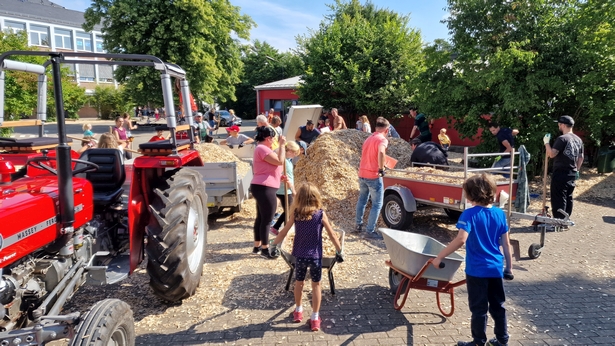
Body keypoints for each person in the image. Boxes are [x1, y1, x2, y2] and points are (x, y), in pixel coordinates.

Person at [431, 173, 513, 346]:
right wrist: (509, 268)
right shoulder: (499, 214)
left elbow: (461, 239)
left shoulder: (468, 215)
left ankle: (478, 342)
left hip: (477, 271)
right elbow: (506, 243)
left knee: (478, 309)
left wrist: (439, 257)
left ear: (470, 195)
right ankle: (502, 340)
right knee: (498, 306)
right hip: (496, 269)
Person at [269, 182, 343, 332]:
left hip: (300, 257)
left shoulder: (296, 214)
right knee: (316, 285)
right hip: (316, 257)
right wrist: (339, 251)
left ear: (300, 199)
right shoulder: (320, 214)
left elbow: (283, 231)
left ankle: (298, 311)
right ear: (316, 197)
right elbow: (332, 234)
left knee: (299, 283)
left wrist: (274, 245)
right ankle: (315, 318)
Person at [250, 126, 287, 258]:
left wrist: (279, 176)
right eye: (273, 139)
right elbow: (279, 161)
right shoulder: (262, 148)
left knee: (261, 218)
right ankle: (265, 250)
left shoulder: (261, 148)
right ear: (268, 138)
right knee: (267, 219)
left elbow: (269, 168)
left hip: (262, 185)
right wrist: (282, 146)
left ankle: (257, 246)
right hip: (265, 187)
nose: (274, 141)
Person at [543, 115, 584, 220]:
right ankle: (566, 219)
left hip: (561, 172)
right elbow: (581, 157)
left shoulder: (562, 139)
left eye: (559, 124)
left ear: (563, 125)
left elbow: (552, 154)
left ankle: (559, 221)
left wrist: (546, 143)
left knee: (558, 197)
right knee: (568, 196)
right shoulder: (578, 140)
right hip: (572, 172)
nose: (558, 126)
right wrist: (577, 170)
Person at [355, 117, 389, 239]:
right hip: (373, 175)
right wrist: (381, 168)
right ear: (387, 129)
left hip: (362, 173)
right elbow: (380, 152)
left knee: (362, 200)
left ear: (375, 128)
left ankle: (358, 225)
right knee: (377, 204)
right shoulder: (382, 139)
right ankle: (370, 231)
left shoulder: (368, 139)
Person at [270, 141, 300, 236]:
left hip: (284, 189)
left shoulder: (285, 159)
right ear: (290, 151)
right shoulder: (284, 161)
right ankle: (277, 228)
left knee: (289, 211)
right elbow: (287, 179)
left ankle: (280, 229)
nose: (295, 156)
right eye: (294, 153)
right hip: (285, 190)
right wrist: (293, 190)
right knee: (291, 211)